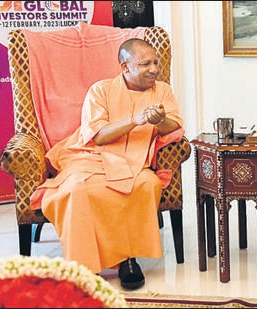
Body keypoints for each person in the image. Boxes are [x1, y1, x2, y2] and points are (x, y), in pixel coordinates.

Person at [29, 38, 185, 290]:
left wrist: (159, 119)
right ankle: (84, 268)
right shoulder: (100, 90)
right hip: (89, 156)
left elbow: (174, 127)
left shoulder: (163, 91)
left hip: (135, 160)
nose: (155, 69)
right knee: (77, 190)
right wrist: (135, 120)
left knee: (145, 185)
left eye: (156, 62)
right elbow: (98, 135)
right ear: (125, 67)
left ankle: (128, 260)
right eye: (145, 64)